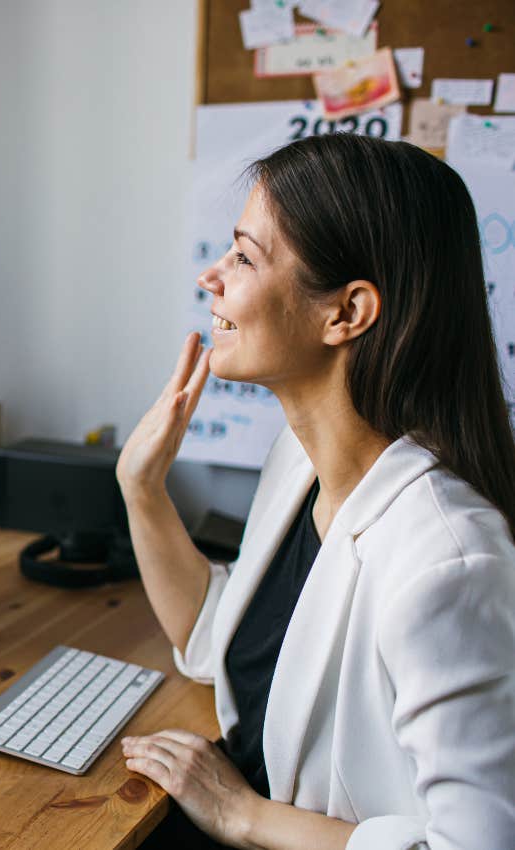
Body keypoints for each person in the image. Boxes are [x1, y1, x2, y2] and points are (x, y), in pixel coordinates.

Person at [115, 135, 515, 849]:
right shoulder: (298, 466)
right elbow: (216, 640)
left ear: (346, 313)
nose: (214, 276)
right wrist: (141, 488)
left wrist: (244, 815)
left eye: (243, 256)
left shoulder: (449, 561)